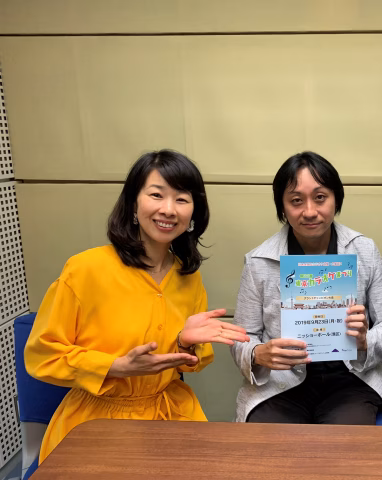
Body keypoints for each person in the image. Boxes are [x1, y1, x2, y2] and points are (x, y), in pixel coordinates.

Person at [25, 149, 250, 463]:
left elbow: (189, 363)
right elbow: (42, 355)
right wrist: (114, 367)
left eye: (182, 199)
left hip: (170, 411)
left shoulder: (188, 276)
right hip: (95, 421)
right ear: (133, 204)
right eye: (156, 195)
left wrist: (184, 344)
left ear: (193, 213)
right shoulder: (84, 270)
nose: (168, 209)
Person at [231, 151, 382, 424]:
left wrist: (364, 341)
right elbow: (243, 337)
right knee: (269, 444)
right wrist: (257, 354)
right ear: (282, 207)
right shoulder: (259, 261)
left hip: (349, 382)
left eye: (320, 197)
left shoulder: (364, 250)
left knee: (343, 444)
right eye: (296, 200)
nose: (310, 211)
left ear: (336, 199)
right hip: (281, 385)